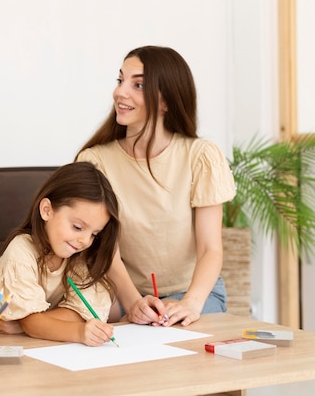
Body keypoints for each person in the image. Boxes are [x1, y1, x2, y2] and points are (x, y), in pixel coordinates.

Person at [76, 45, 236, 327]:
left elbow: (210, 247)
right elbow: (104, 247)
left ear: (166, 102)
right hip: (123, 295)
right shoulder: (96, 160)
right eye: (120, 80)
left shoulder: (201, 156)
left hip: (193, 293)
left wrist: (190, 303)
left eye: (137, 85)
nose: (120, 92)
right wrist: (132, 302)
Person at [0, 161, 120, 347]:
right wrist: (78, 331)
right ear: (47, 210)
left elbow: (81, 313)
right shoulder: (21, 250)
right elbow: (32, 324)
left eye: (94, 234)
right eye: (77, 227)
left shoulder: (79, 255)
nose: (85, 241)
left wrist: (27, 324)